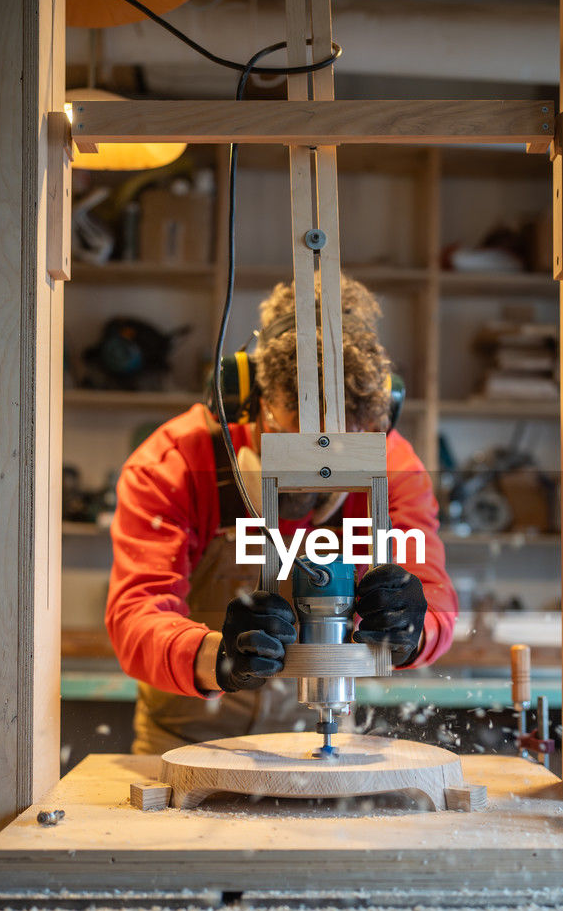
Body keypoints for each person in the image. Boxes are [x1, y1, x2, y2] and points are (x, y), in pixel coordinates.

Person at [106, 275, 457, 754]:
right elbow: (136, 615)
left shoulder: (391, 466)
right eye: (301, 443)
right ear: (250, 401)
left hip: (321, 741)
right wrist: (219, 657)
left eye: (345, 443)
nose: (321, 474)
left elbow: (435, 602)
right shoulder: (175, 462)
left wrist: (412, 627)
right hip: (191, 742)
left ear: (376, 417)